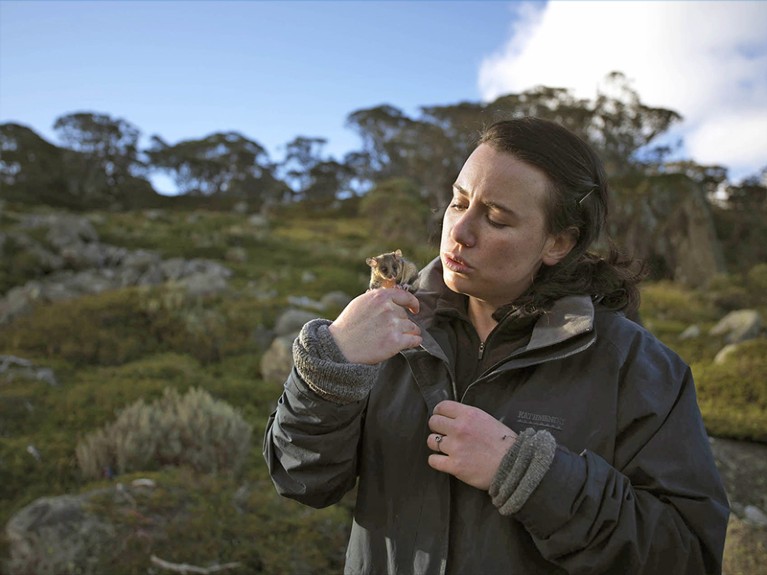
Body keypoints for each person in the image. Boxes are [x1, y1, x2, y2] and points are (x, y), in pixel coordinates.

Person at [263, 117, 729, 574]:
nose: (460, 232)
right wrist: (330, 369)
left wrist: (525, 472)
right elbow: (301, 479)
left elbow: (686, 552)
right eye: (458, 202)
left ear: (558, 242)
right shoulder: (388, 328)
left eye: (497, 219)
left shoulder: (636, 366)